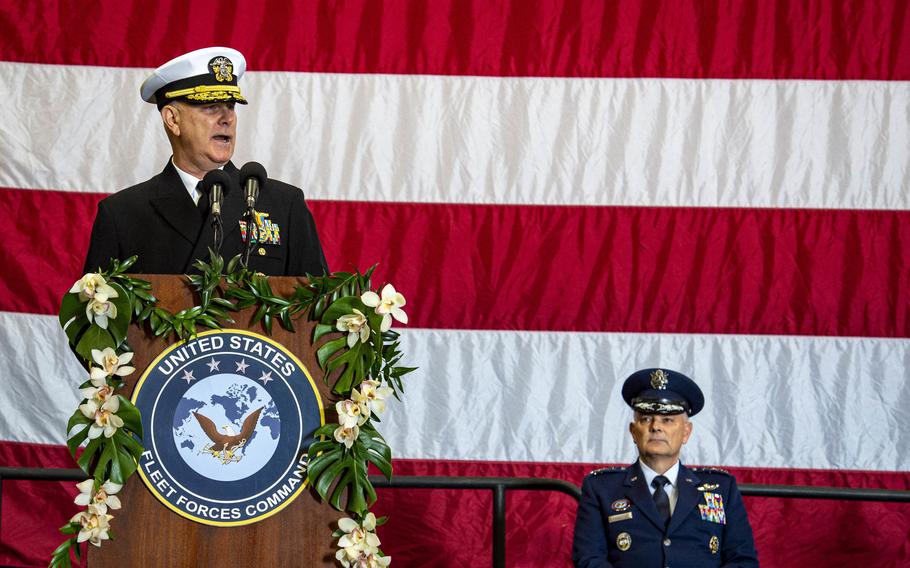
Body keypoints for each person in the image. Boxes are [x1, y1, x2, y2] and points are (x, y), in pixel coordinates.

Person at [83, 46, 327, 276]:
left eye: (230, 106)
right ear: (172, 119)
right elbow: (94, 316)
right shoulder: (123, 213)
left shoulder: (284, 205)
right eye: (211, 107)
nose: (227, 118)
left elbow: (318, 310)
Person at [572, 368, 759, 567]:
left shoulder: (722, 488)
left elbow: (743, 561)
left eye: (667, 420)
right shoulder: (602, 489)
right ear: (633, 432)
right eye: (646, 419)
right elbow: (588, 559)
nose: (656, 426)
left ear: (686, 432)